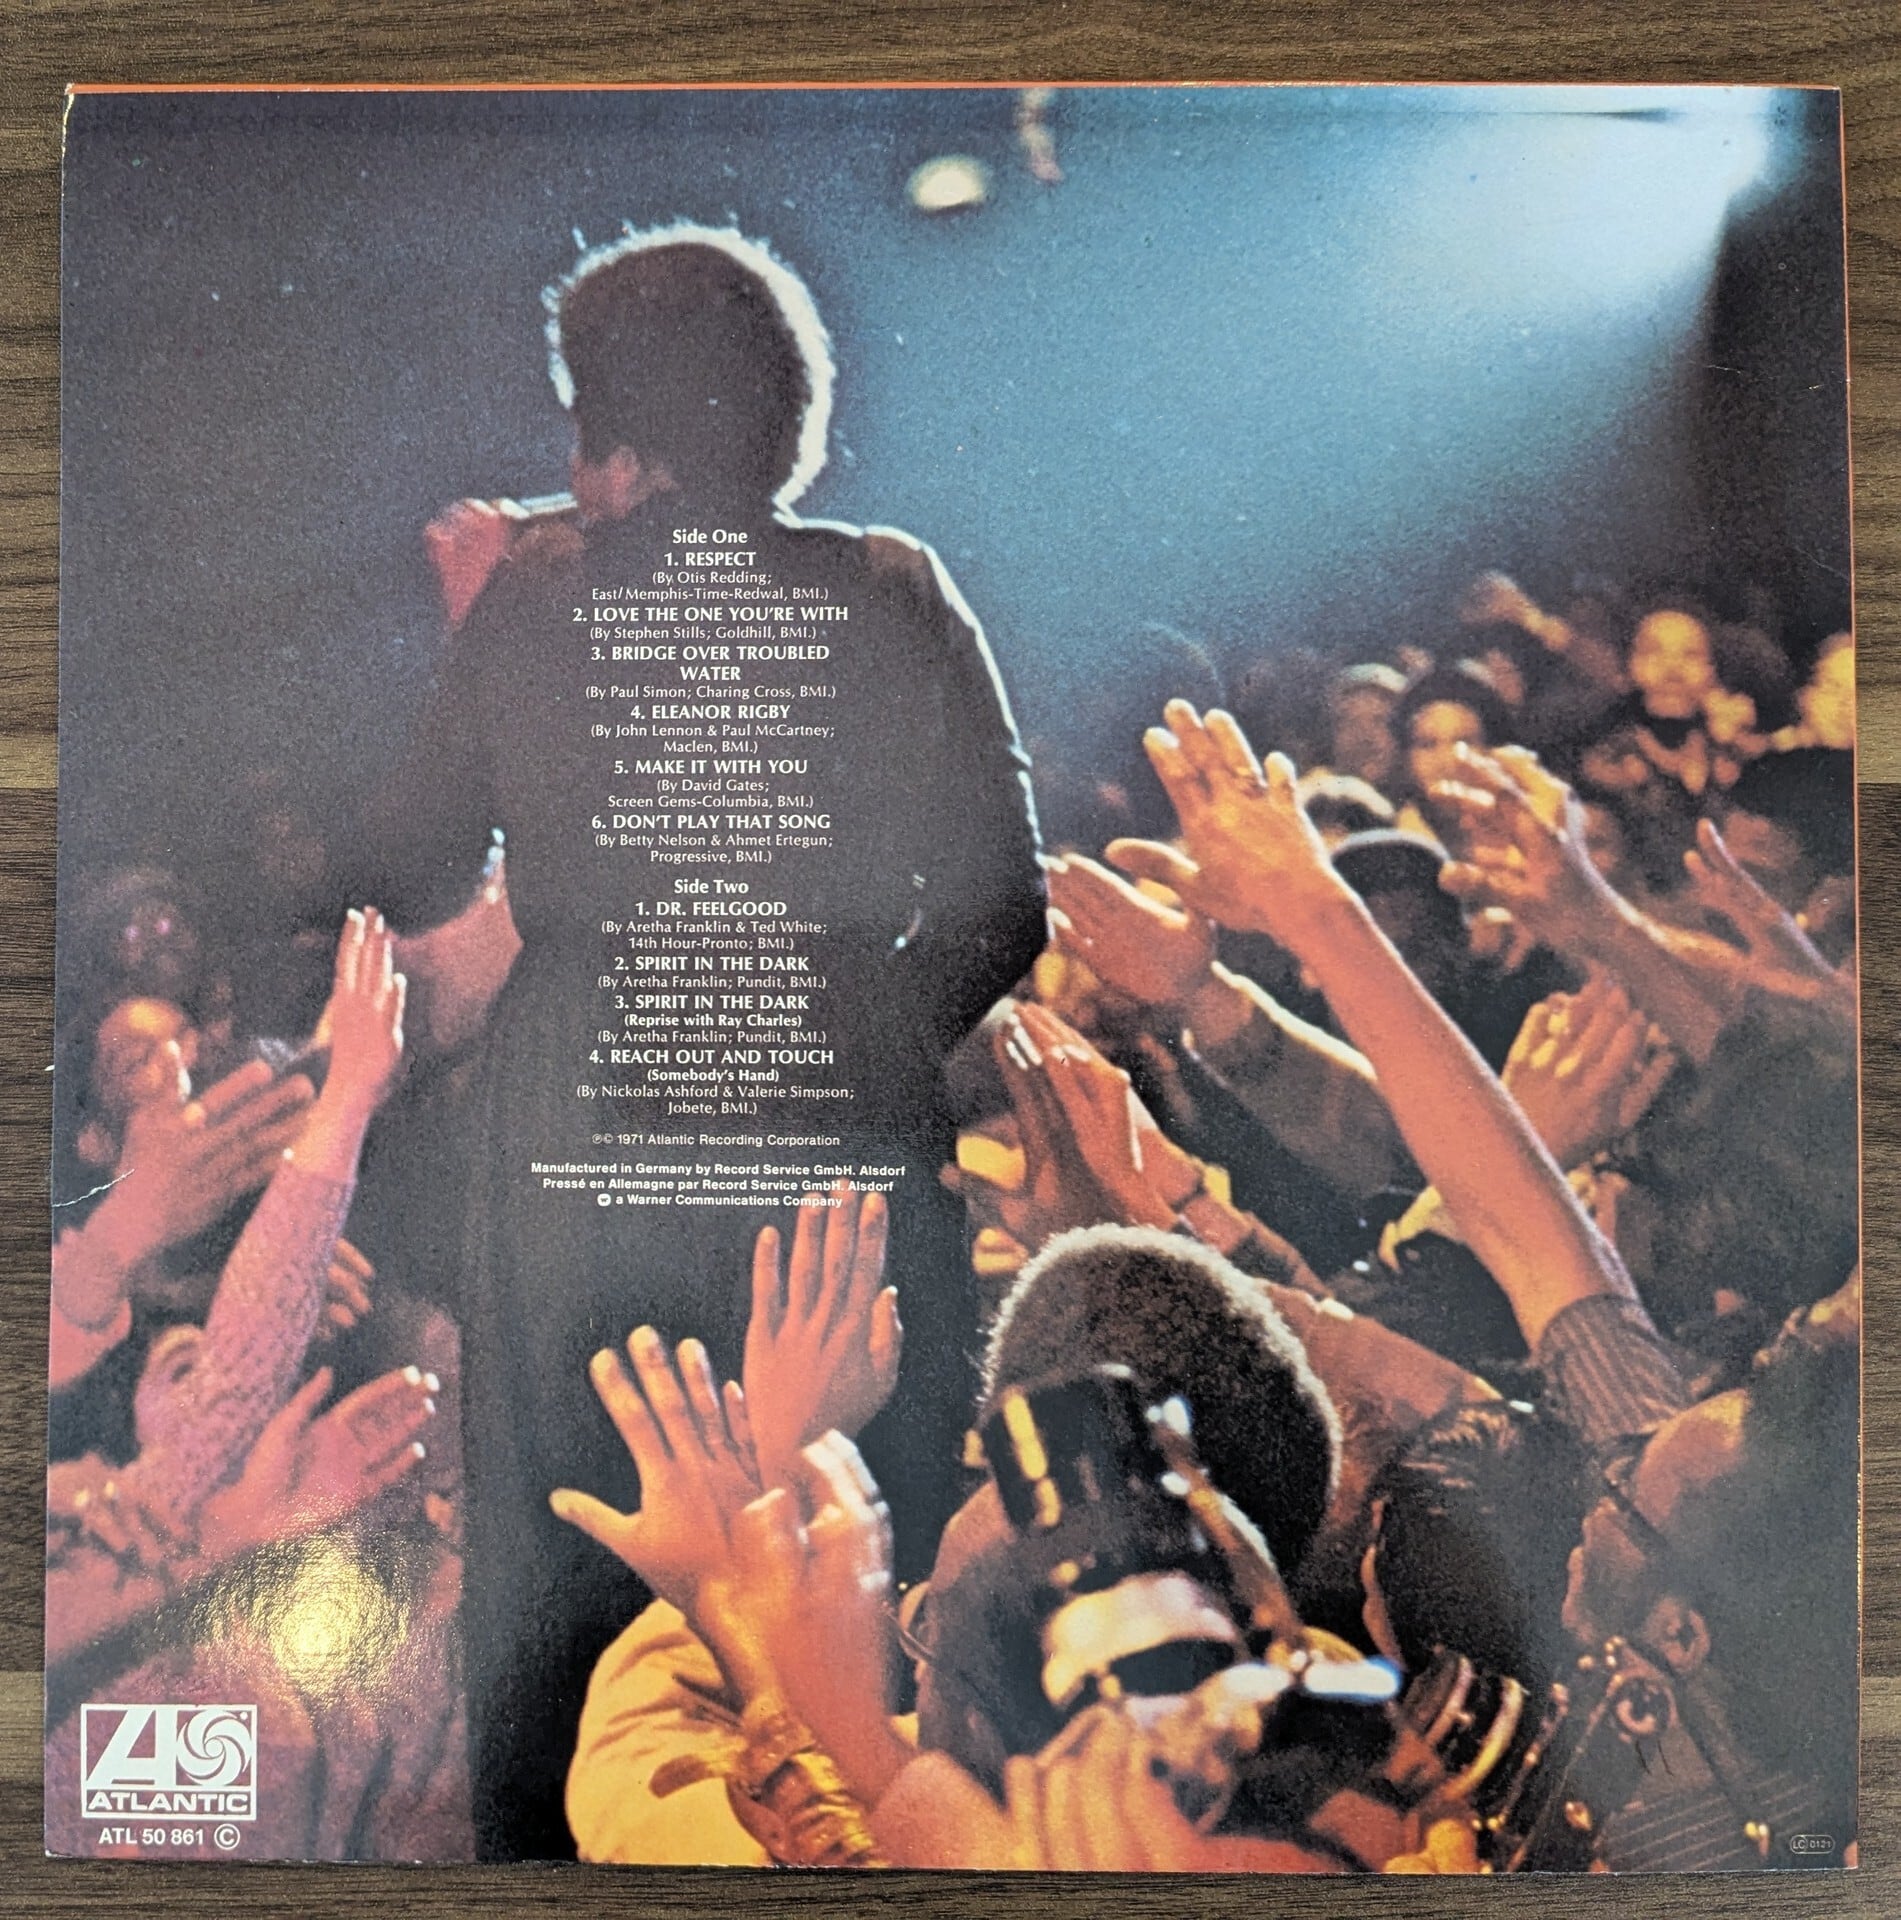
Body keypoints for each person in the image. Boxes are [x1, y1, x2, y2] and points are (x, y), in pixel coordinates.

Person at [367, 223, 1044, 1856]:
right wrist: (848, 1044)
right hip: (829, 1163)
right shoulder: (893, 589)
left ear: (613, 436)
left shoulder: (536, 589)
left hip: (583, 1154)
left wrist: (478, 634)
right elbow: (1002, 912)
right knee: (851, 1543)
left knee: (572, 1566)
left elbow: (414, 866)